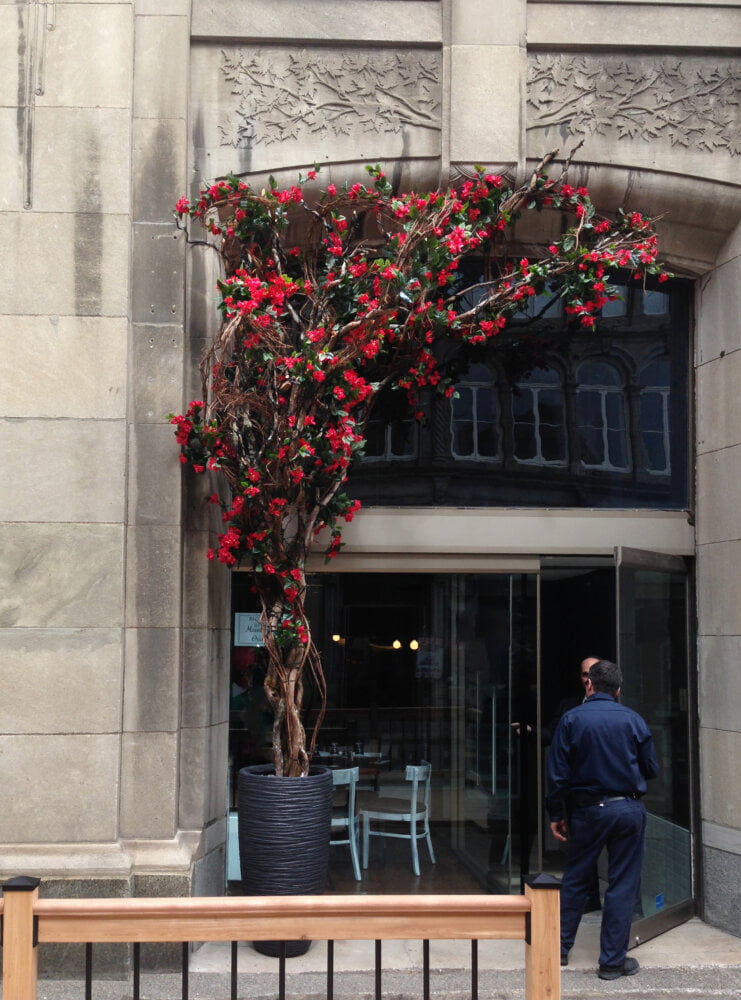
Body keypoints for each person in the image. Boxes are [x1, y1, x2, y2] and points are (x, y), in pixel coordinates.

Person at [546, 658, 658, 981]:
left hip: (588, 811)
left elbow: (557, 776)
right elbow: (651, 769)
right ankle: (611, 962)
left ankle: (558, 950)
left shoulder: (571, 720)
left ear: (590, 684)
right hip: (628, 808)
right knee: (622, 884)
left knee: (576, 879)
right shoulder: (634, 720)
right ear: (619, 690)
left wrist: (556, 814)